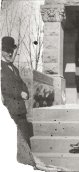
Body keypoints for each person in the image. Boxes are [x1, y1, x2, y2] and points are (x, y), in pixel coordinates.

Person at [1, 36, 35, 166]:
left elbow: (22, 83)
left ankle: (28, 164)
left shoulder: (14, 68)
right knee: (13, 144)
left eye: (12, 50)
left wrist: (26, 92)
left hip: (21, 110)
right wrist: (19, 93)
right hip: (10, 111)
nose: (10, 53)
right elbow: (4, 88)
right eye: (7, 50)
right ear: (2, 50)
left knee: (25, 140)